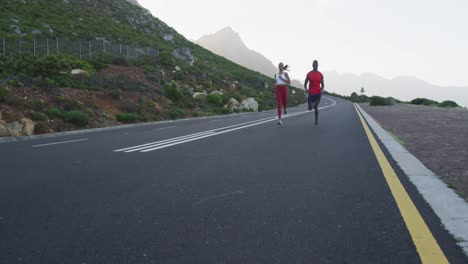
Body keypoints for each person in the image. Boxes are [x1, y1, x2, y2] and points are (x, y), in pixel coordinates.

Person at [304, 60, 324, 125]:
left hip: (318, 93)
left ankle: (316, 121)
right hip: (311, 93)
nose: (315, 65)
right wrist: (306, 89)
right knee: (310, 108)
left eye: (316, 64)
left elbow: (322, 85)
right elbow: (305, 83)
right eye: (314, 64)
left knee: (316, 106)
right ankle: (313, 106)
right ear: (312, 65)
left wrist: (321, 90)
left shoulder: (320, 74)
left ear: (317, 65)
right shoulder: (309, 74)